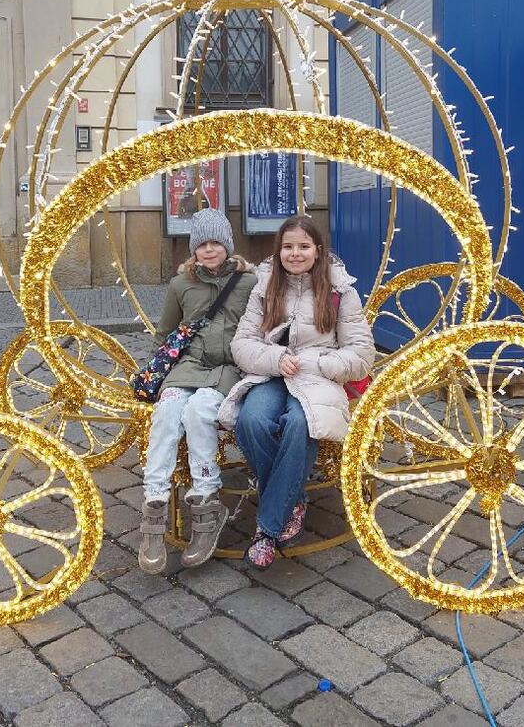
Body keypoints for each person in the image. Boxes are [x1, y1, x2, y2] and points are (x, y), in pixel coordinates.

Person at [218, 214, 374, 569]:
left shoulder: (340, 290)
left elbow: (362, 353)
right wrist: (275, 358)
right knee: (252, 421)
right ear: (279, 251)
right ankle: (293, 498)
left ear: (317, 250)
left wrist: (322, 363)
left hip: (319, 377)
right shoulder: (265, 286)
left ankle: (267, 529)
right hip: (272, 373)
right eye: (288, 247)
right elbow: (242, 343)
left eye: (303, 246)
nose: (295, 253)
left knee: (299, 425)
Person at [138, 208, 254, 574]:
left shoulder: (248, 282)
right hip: (187, 367)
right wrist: (155, 371)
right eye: (202, 244)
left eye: (216, 243)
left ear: (228, 245)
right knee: (167, 411)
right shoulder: (181, 284)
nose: (209, 250)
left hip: (226, 369)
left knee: (199, 411)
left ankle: (206, 499)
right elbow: (165, 332)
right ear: (193, 249)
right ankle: (154, 501)